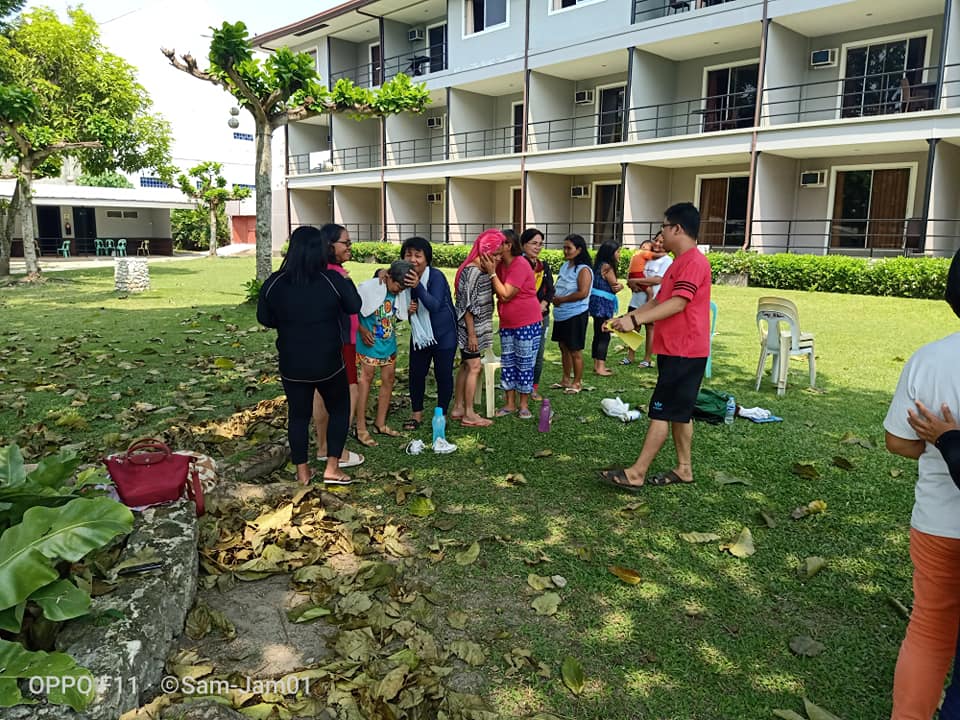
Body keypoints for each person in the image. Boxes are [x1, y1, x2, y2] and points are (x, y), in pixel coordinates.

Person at [884, 248, 960, 720]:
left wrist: (935, 443)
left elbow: (898, 441)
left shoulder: (930, 360)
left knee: (930, 630)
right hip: (937, 523)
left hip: (938, 522)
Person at [603, 202, 712, 489]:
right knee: (680, 411)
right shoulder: (679, 262)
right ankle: (684, 469)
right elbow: (660, 300)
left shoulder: (693, 262)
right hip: (676, 349)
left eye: (664, 226)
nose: (661, 233)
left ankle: (637, 473)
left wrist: (636, 320)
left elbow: (678, 303)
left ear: (677, 228)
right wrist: (629, 317)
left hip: (684, 351)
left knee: (661, 411)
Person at [257, 225, 361, 485]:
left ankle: (302, 473)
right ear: (321, 250)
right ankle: (332, 468)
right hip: (328, 361)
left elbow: (264, 318)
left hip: (292, 362)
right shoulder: (332, 280)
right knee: (339, 408)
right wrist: (347, 283)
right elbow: (354, 305)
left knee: (298, 416)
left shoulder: (274, 282)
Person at [312, 224, 364, 470]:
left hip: (330, 342)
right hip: (342, 342)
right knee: (348, 393)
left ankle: (323, 447)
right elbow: (353, 304)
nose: (349, 247)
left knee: (321, 393)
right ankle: (338, 451)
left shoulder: (320, 271)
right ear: (330, 245)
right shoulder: (336, 275)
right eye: (346, 242)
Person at [479, 229, 543, 418]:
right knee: (508, 362)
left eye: (499, 244)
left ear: (508, 245)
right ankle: (509, 404)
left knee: (524, 363)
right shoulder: (500, 265)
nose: (494, 248)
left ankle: (523, 404)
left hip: (527, 323)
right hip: (507, 323)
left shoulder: (520, 264)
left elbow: (506, 294)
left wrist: (492, 273)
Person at [399, 236, 457, 431]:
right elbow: (398, 312)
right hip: (421, 335)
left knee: (443, 374)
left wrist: (418, 286)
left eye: (418, 255)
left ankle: (441, 413)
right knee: (416, 374)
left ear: (426, 258)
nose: (413, 260)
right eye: (408, 255)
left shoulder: (436, 276)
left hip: (444, 334)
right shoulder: (403, 277)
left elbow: (434, 304)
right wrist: (406, 311)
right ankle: (416, 415)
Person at [354, 260, 412, 447]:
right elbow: (353, 311)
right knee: (366, 381)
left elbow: (395, 315)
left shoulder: (399, 292)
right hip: (369, 342)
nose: (398, 291)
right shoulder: (370, 288)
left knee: (388, 380)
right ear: (387, 277)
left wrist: (408, 311)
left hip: (388, 343)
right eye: (397, 287)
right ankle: (361, 427)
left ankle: (380, 423)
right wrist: (362, 331)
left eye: (402, 289)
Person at [450, 229, 501, 427]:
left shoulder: (482, 270)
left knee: (466, 366)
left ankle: (458, 407)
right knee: (474, 367)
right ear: (485, 251)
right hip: (470, 330)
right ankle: (469, 414)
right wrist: (472, 335)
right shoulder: (473, 271)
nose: (497, 258)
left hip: (476, 329)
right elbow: (467, 306)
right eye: (495, 254)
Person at [550, 234, 593, 394]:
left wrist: (562, 299)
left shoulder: (583, 269)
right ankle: (565, 379)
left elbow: (583, 292)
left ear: (579, 249)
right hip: (561, 314)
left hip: (576, 314)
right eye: (564, 247)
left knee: (575, 350)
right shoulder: (565, 266)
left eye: (569, 248)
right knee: (563, 346)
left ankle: (577, 383)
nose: (565, 251)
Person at [624, 236, 671, 367]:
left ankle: (647, 358)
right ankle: (630, 356)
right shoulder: (647, 256)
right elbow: (633, 272)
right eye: (656, 240)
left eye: (661, 242)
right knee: (633, 327)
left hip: (653, 300)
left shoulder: (667, 260)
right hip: (636, 299)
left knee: (650, 328)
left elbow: (658, 280)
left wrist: (636, 281)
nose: (657, 244)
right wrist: (632, 283)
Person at [521, 228, 554, 401]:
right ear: (523, 244)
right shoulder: (519, 264)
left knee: (538, 354)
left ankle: (533, 387)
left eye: (540, 244)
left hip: (542, 316)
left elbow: (550, 289)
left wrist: (544, 304)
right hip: (523, 316)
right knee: (522, 353)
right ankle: (519, 388)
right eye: (534, 243)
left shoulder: (544, 266)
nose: (538, 247)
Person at [589, 240, 623, 377]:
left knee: (598, 333)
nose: (619, 254)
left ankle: (596, 364)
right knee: (604, 334)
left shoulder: (598, 265)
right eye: (618, 251)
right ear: (611, 253)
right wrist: (622, 286)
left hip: (596, 302)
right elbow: (614, 286)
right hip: (604, 303)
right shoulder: (608, 267)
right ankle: (600, 367)